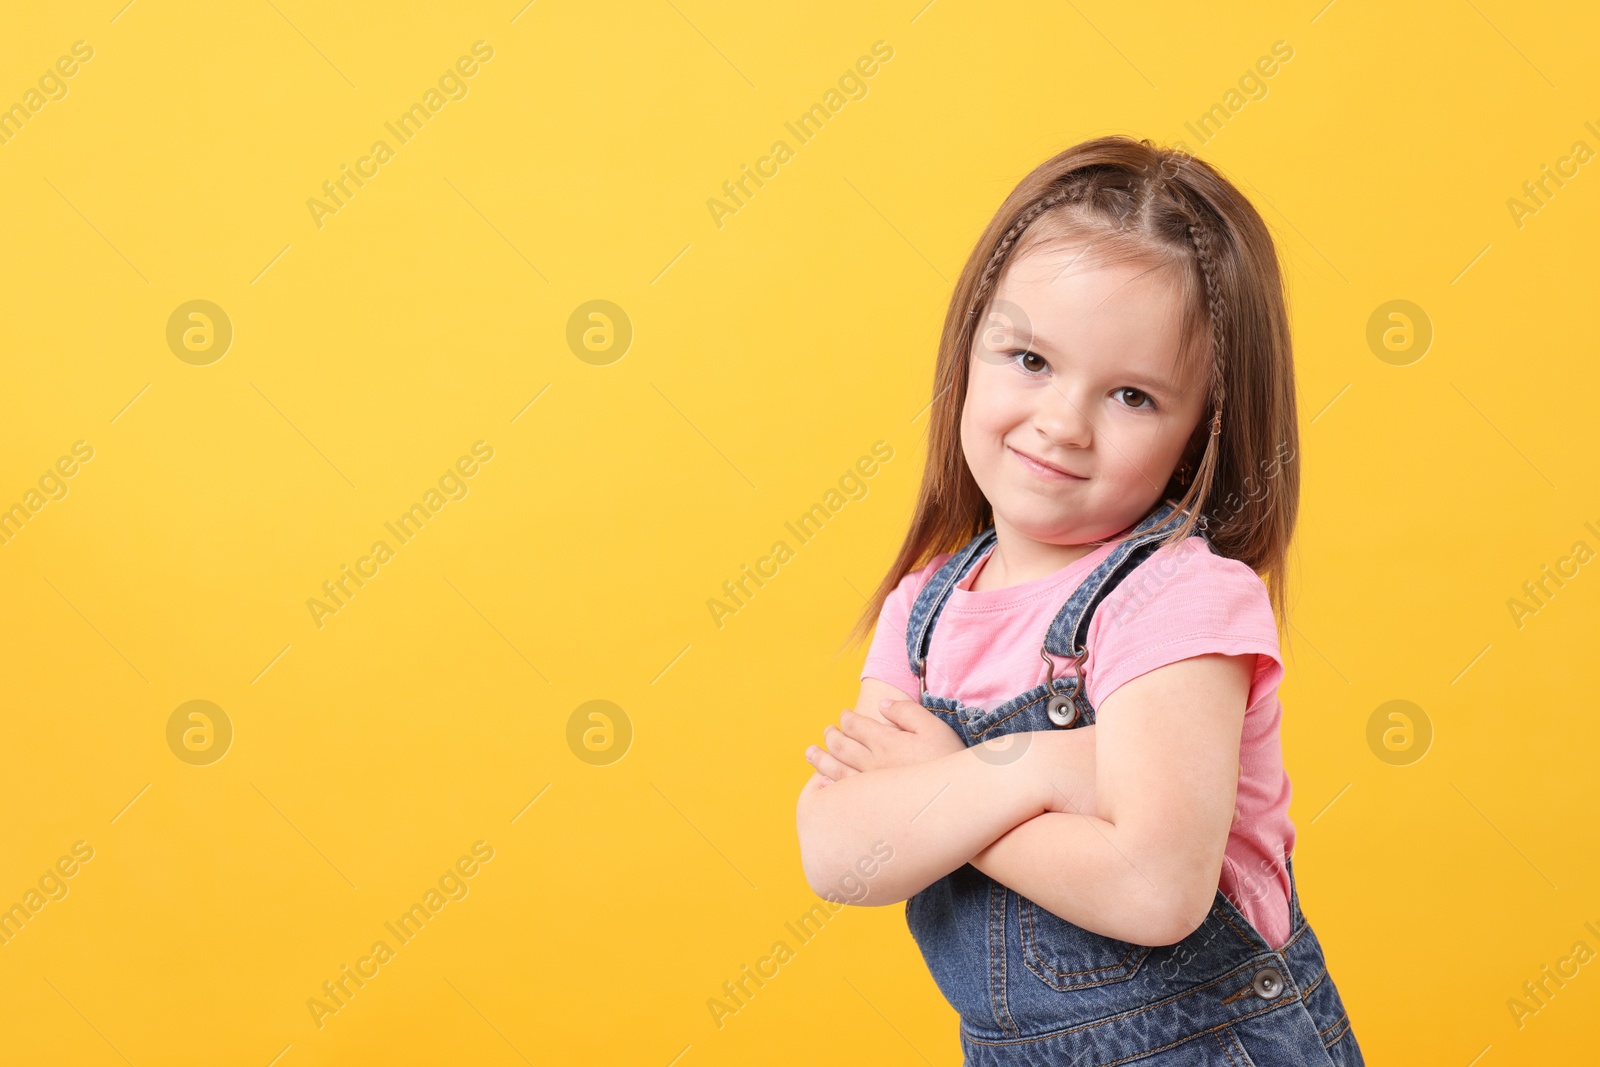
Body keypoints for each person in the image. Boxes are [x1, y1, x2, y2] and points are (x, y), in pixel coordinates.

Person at [794, 135, 1363, 1066]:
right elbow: (839, 850)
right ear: (970, 344)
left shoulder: (1177, 600)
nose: (1062, 421)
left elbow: (1153, 886)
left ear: (1198, 432)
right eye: (1029, 359)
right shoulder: (926, 611)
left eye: (1133, 396)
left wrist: (941, 787)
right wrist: (1037, 768)